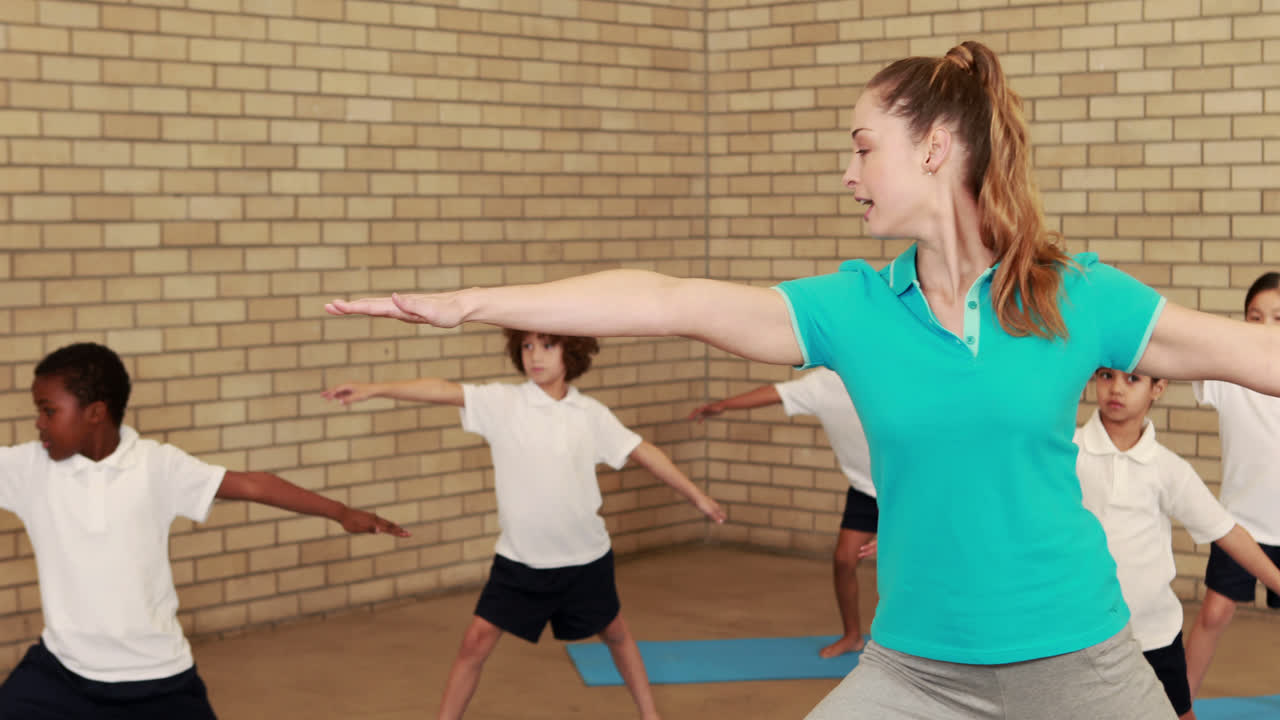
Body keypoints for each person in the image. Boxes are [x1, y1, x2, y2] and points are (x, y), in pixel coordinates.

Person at [324, 40, 1280, 719]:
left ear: (936, 149)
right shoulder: (851, 308)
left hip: (1083, 665)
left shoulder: (1073, 295)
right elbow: (665, 299)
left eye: (864, 145)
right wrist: (475, 302)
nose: (848, 169)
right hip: (915, 672)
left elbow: (1253, 355)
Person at [322, 329, 725, 720]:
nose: (536, 355)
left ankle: (650, 714)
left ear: (572, 353)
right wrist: (376, 388)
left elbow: (643, 451)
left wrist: (697, 496)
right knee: (475, 642)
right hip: (521, 562)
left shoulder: (590, 415)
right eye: (528, 346)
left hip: (585, 559)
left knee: (616, 635)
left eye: (548, 346)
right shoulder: (503, 403)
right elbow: (443, 389)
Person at [0, 342, 408, 719]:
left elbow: (253, 485)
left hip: (155, 677)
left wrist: (341, 512)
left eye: (48, 410)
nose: (39, 423)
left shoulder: (156, 466)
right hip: (62, 671)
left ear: (95, 412)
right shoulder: (29, 470)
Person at [1075, 367, 1280, 720]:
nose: (1117, 389)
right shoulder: (1069, 453)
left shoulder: (1167, 468)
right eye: (1107, 376)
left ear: (1159, 387)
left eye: (1132, 379)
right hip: (1084, 632)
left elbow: (1226, 530)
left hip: (1153, 633)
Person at [689, 368, 874, 657]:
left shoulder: (888, 374)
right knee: (844, 560)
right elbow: (776, 393)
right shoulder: (824, 383)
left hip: (907, 488)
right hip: (865, 490)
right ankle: (852, 636)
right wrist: (724, 405)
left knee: (908, 568)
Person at [1184, 272, 1280, 698]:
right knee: (1215, 613)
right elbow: (1187, 349)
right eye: (1254, 317)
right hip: (1239, 528)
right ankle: (1177, 704)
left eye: (1278, 318)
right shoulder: (1227, 379)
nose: (1265, 328)